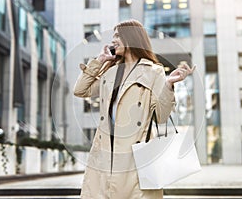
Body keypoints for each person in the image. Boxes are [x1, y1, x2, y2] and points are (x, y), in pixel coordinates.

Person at [74, 19, 195, 199]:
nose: (113, 40)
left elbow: (161, 117)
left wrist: (168, 85)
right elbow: (80, 90)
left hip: (136, 160)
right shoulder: (110, 72)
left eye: (117, 36)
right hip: (104, 158)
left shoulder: (154, 71)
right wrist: (100, 60)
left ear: (131, 39)